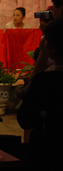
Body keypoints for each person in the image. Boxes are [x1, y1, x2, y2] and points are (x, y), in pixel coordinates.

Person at [17, 19, 63, 167]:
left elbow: (25, 120)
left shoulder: (44, 81)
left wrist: (43, 53)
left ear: (51, 48)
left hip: (46, 152)